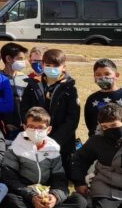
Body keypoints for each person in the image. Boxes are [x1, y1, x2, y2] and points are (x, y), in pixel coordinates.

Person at [1, 106, 87, 208]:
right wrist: (32, 197)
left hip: (47, 192)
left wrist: (55, 196)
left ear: (49, 129)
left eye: (41, 128)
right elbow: (10, 179)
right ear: (25, 127)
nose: (36, 131)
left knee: (80, 201)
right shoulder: (14, 149)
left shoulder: (53, 149)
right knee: (9, 199)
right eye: (31, 127)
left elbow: (59, 178)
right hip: (25, 193)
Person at [20, 48, 80, 177]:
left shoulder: (69, 89)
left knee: (59, 174)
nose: (51, 68)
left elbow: (72, 119)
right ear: (42, 65)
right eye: (48, 65)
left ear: (63, 67)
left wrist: (55, 139)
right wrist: (35, 133)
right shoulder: (32, 85)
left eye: (56, 66)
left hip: (62, 141)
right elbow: (25, 110)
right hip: (36, 135)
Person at [0, 41, 30, 137]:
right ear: (8, 59)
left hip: (24, 128)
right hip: (2, 128)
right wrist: (5, 123)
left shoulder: (25, 79)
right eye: (19, 59)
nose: (23, 62)